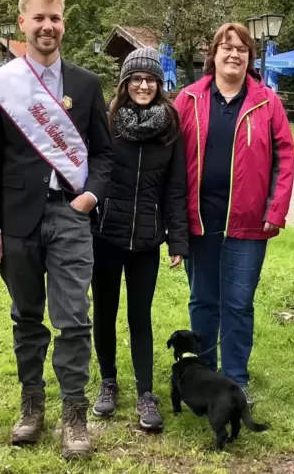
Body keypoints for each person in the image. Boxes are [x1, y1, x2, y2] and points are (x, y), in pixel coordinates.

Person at [0, 0, 113, 458]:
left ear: (63, 23)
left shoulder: (87, 84)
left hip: (70, 215)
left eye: (55, 18)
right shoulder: (0, 86)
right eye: (39, 19)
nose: (47, 26)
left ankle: (75, 414)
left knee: (74, 319)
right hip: (15, 221)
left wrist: (91, 194)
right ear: (23, 24)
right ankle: (32, 407)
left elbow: (104, 155)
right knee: (26, 318)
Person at [173, 22, 294, 405]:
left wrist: (276, 208)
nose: (234, 54)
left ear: (249, 57)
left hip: (248, 223)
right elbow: (170, 158)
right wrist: (173, 217)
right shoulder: (189, 99)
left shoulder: (266, 102)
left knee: (238, 304)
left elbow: (285, 157)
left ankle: (236, 378)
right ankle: (205, 373)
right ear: (214, 53)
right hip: (200, 220)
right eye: (226, 47)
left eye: (242, 48)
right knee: (203, 300)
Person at [90, 47, 188, 431]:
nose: (143, 85)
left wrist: (177, 240)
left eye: (150, 79)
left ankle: (146, 392)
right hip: (106, 235)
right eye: (136, 79)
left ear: (159, 85)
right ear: (125, 84)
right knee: (105, 311)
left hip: (148, 239)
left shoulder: (170, 129)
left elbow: (175, 190)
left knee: (140, 315)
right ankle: (108, 381)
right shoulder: (108, 124)